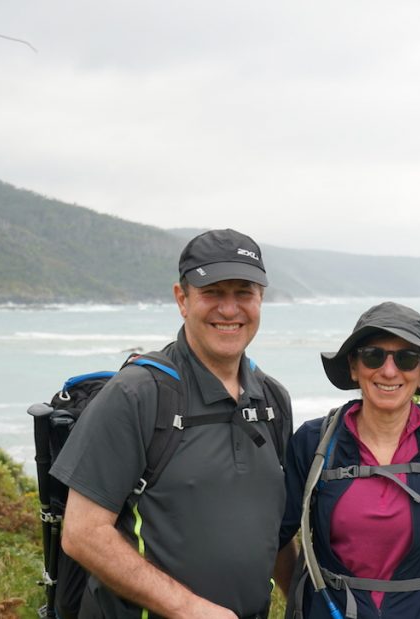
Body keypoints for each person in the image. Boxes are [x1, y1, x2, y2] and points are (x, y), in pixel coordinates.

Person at [51, 228, 295, 619]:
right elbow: (83, 534)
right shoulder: (137, 395)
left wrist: (301, 599)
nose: (230, 310)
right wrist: (188, 608)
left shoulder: (272, 400)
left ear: (261, 298)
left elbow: (274, 529)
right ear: (182, 299)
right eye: (213, 292)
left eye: (243, 292)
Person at [275, 301, 420, 619]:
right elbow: (276, 534)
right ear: (353, 367)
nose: (389, 371)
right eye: (373, 356)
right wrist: (305, 596)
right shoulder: (315, 442)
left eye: (406, 358)